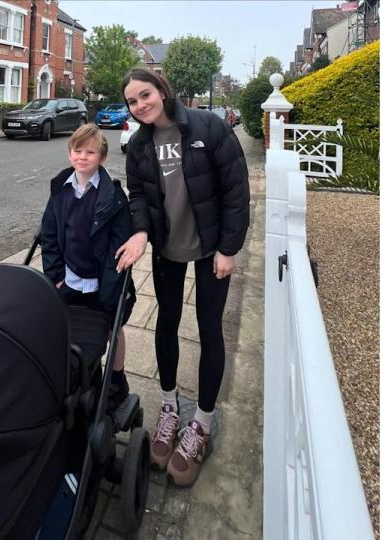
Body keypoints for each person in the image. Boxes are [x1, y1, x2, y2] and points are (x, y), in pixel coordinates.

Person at [114, 68, 250, 487]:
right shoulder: (138, 145)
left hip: (211, 250)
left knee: (210, 330)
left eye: (145, 95)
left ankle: (203, 424)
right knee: (166, 324)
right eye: (133, 102)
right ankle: (170, 407)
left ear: (162, 90)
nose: (140, 106)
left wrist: (229, 247)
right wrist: (139, 232)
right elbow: (138, 195)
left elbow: (235, 187)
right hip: (167, 249)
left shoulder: (207, 126)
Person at [40, 124, 137, 412]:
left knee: (112, 328)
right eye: (77, 151)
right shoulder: (60, 191)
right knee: (64, 327)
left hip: (101, 282)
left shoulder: (113, 197)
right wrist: (55, 276)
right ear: (70, 154)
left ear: (102, 158)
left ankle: (116, 379)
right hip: (68, 279)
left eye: (90, 152)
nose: (83, 157)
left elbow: (118, 247)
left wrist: (111, 286)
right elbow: (49, 235)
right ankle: (74, 376)